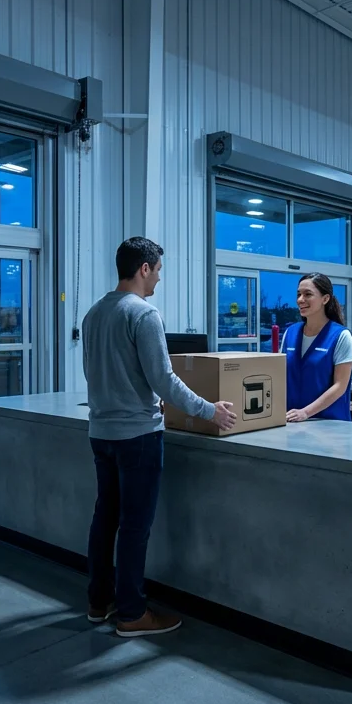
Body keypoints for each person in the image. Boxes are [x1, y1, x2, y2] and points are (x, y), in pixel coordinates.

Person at [82, 236, 238, 637]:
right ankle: (132, 614)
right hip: (138, 437)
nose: (159, 280)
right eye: (159, 271)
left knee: (105, 519)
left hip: (101, 433)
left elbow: (102, 376)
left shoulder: (94, 314)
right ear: (144, 268)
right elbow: (163, 379)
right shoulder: (144, 314)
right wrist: (210, 410)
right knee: (135, 527)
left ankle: (99, 603)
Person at [282, 273, 352, 422]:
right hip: (292, 422)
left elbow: (340, 385)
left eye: (308, 294)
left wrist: (305, 413)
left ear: (325, 299)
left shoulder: (341, 336)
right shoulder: (290, 333)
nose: (300, 300)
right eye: (299, 294)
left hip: (330, 424)